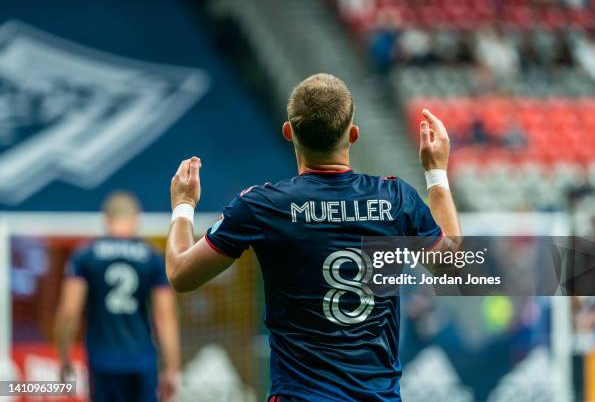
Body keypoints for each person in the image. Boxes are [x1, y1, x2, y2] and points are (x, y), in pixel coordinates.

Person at [165, 74, 461, 401]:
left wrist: (183, 205)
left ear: (289, 133)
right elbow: (453, 268)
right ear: (353, 135)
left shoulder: (263, 206)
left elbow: (180, 274)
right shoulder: (394, 198)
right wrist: (436, 173)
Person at [55, 192, 180, 402]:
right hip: (142, 361)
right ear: (136, 219)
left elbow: (69, 312)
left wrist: (64, 357)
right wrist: (171, 368)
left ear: (106, 219)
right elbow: (165, 317)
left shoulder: (85, 256)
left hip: (102, 361)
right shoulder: (153, 258)